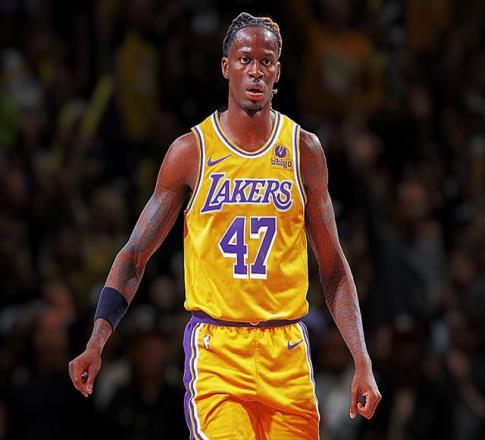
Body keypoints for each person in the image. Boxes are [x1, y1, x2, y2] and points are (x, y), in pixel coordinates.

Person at [68, 12, 381, 439]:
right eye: (245, 59)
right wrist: (96, 340)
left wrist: (361, 358)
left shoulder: (304, 150)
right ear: (225, 66)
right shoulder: (190, 152)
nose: (255, 70)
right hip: (218, 351)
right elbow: (134, 256)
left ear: (278, 73)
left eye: (266, 61)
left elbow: (333, 267)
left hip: (287, 351)